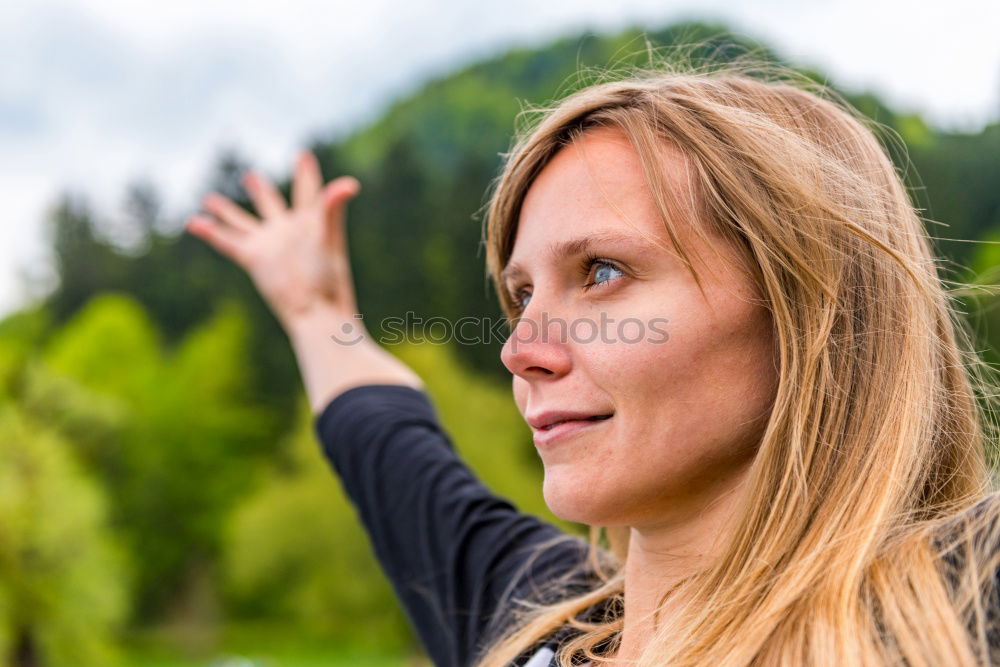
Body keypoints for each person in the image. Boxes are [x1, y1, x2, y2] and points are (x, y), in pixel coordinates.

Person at [185, 60, 1000, 666]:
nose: (522, 351)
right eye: (521, 293)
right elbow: (391, 446)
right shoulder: (535, 627)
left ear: (806, 311)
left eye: (602, 274)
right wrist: (315, 313)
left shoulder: (952, 608)